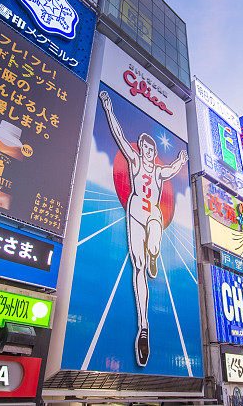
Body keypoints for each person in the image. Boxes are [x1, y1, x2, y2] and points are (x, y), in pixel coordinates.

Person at [98, 90, 188, 367]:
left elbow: (173, 168)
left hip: (152, 216)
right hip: (134, 216)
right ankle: (144, 327)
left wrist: (183, 161)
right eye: (144, 148)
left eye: (151, 150)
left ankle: (154, 251)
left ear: (155, 153)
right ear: (141, 150)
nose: (147, 153)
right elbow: (118, 135)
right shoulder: (134, 162)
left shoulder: (159, 171)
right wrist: (109, 108)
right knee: (138, 269)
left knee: (155, 220)